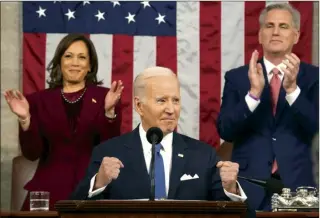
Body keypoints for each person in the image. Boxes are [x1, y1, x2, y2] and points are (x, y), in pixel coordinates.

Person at [70, 66, 248, 206]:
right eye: (162, 100)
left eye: (176, 100)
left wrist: (232, 189)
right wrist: (99, 182)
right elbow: (75, 209)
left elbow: (242, 214)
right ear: (139, 106)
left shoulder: (203, 155)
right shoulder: (109, 153)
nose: (171, 110)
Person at [3, 34, 124, 210]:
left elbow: (110, 149)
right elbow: (32, 153)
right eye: (68, 56)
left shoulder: (106, 97)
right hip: (48, 192)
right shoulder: (37, 101)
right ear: (60, 61)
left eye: (82, 57)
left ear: (90, 65)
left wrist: (109, 112)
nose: (75, 62)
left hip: (92, 191)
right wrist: (25, 119)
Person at [217, 3, 319, 211]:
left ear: (296, 35)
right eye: (269, 26)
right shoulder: (237, 78)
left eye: (283, 26)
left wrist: (292, 91)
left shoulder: (313, 77)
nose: (275, 32)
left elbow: (316, 126)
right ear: (260, 34)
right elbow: (225, 130)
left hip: (300, 188)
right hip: (249, 187)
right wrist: (253, 95)